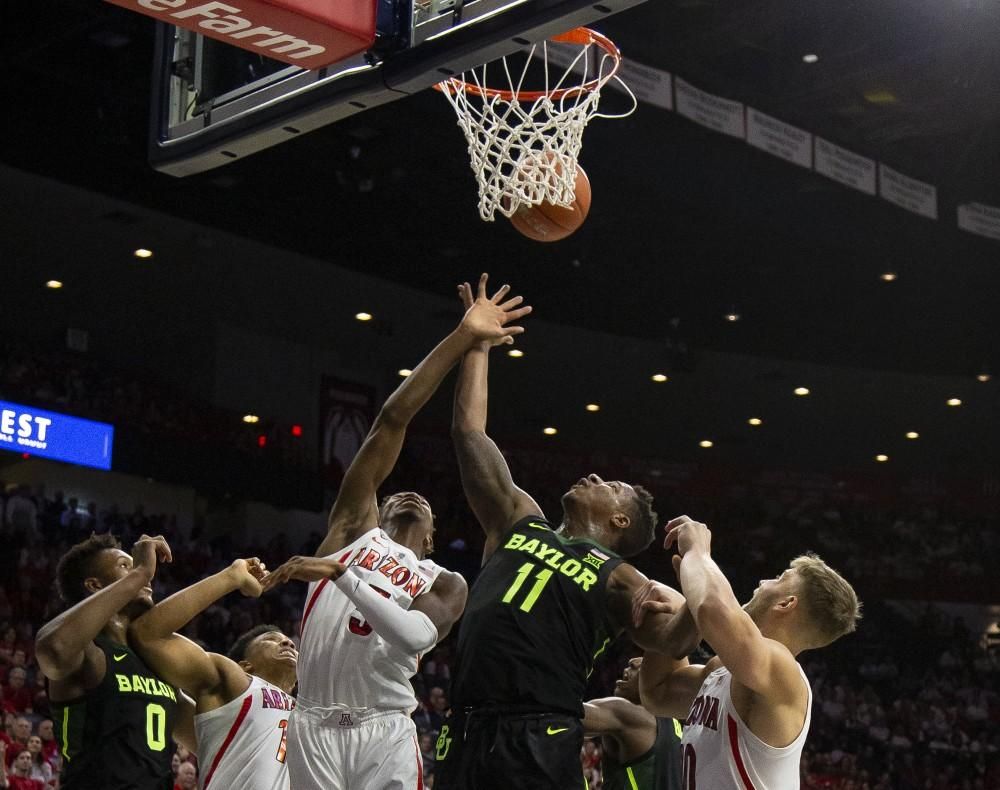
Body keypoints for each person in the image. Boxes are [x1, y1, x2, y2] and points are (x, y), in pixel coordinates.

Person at [263, 276, 530, 789]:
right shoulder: (351, 529)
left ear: (431, 537)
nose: (410, 496)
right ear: (377, 509)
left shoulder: (444, 581)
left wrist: (341, 575)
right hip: (312, 721)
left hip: (384, 728)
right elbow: (391, 420)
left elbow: (412, 637)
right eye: (395, 496)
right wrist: (461, 338)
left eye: (424, 502)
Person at [437, 276, 700, 790]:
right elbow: (469, 434)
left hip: (541, 730)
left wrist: (696, 579)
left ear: (619, 522)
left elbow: (673, 637)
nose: (596, 478)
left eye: (612, 485)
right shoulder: (518, 518)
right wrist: (478, 345)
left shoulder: (622, 579)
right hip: (466, 723)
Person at [639, 516, 861, 789]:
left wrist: (698, 552)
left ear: (786, 603)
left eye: (779, 578)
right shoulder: (721, 670)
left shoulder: (783, 673)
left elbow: (713, 610)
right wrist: (683, 614)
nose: (763, 581)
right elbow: (657, 693)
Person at [34, 533, 194, 789]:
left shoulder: (154, 661)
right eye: (125, 566)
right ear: (95, 585)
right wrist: (140, 573)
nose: (147, 576)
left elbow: (208, 736)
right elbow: (53, 649)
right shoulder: (89, 651)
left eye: (137, 567)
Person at [128, 558, 297, 790]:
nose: (288, 642)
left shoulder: (309, 711)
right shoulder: (238, 682)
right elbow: (148, 635)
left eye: (289, 641)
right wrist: (231, 577)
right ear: (245, 665)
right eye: (271, 640)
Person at [583, 657, 682, 790]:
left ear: (655, 679)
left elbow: (565, 713)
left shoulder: (631, 715)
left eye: (639, 667)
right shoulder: (675, 722)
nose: (627, 668)